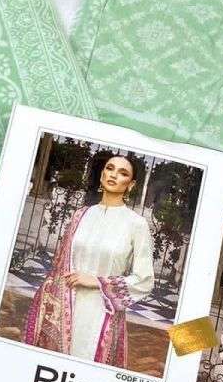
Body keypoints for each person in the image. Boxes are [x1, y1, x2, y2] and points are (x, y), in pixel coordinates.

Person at [24, 153, 154, 366]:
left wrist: (97, 281)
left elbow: (145, 280)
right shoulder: (81, 215)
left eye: (123, 173)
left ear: (131, 185)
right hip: (65, 305)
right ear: (102, 174)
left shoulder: (136, 224)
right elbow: (59, 266)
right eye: (110, 168)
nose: (114, 175)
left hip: (102, 312)